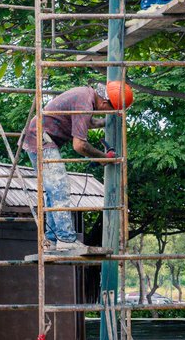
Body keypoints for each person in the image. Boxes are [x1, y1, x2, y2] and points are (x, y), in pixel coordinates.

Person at [21, 80, 134, 255]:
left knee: (52, 191)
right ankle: (66, 240)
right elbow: (79, 145)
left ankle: (51, 240)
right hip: (41, 142)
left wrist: (107, 121)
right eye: (110, 109)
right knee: (60, 188)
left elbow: (89, 122)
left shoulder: (85, 95)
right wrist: (104, 157)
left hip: (38, 139)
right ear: (105, 102)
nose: (108, 112)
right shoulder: (84, 101)